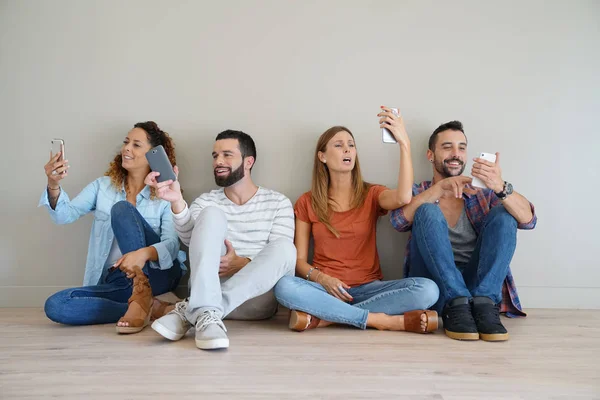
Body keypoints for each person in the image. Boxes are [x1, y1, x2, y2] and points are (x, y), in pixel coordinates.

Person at [274, 107, 440, 333]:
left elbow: (403, 197)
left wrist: (404, 143)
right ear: (322, 156)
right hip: (325, 289)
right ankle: (381, 320)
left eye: (351, 145)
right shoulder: (307, 202)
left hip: (369, 289)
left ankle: (329, 317)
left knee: (428, 289)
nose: (347, 149)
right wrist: (323, 279)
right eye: (339, 144)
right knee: (284, 286)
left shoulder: (371, 194)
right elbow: (299, 260)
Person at [390, 120, 537, 341]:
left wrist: (500, 186)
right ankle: (456, 303)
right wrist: (438, 189)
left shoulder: (482, 194)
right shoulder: (418, 192)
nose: (455, 153)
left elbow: (529, 220)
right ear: (431, 155)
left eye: (462, 147)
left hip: (476, 291)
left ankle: (485, 304)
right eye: (447, 147)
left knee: (505, 215)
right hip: (436, 288)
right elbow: (398, 222)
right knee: (426, 211)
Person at [149, 130, 296, 350]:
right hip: (208, 287)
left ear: (249, 162)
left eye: (227, 155)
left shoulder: (278, 202)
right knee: (211, 213)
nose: (218, 161)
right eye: (215, 155)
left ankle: (192, 312)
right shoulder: (206, 202)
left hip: (255, 299)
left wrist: (243, 263)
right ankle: (205, 312)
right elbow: (191, 240)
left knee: (286, 248)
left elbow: (280, 261)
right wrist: (177, 201)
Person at [41, 122, 185, 333]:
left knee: (121, 210)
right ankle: (150, 307)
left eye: (136, 145)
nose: (126, 148)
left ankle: (142, 296)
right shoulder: (102, 186)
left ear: (154, 155)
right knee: (56, 305)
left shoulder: (166, 194)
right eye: (126, 142)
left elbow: (172, 246)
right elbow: (64, 215)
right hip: (119, 280)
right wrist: (53, 184)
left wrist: (142, 254)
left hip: (158, 274)